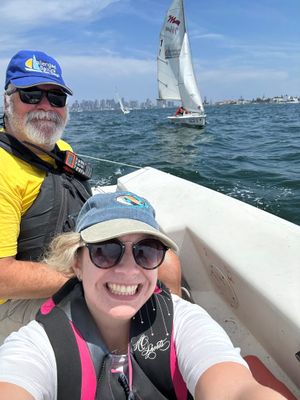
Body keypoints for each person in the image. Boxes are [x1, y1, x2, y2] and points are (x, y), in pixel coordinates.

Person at [0, 191, 287, 400]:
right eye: (105, 250)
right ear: (77, 263)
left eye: (146, 252)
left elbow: (235, 389)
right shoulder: (39, 345)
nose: (128, 270)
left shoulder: (184, 323)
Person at [0, 50, 182, 343]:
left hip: (75, 257)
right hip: (16, 301)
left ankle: (168, 346)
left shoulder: (61, 149)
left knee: (166, 261)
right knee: (122, 307)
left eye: (56, 98)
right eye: (31, 95)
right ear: (8, 99)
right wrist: (88, 276)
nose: (46, 106)